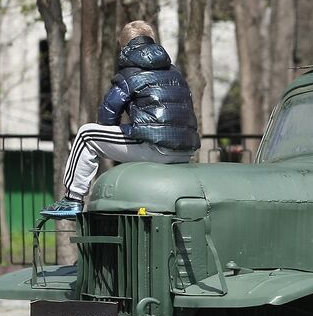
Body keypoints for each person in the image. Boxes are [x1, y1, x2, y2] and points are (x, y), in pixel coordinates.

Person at [41, 22, 200, 218]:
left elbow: (107, 116)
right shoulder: (175, 72)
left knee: (86, 135)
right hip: (186, 152)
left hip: (156, 148)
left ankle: (72, 199)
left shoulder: (129, 72)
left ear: (124, 46)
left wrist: (125, 130)